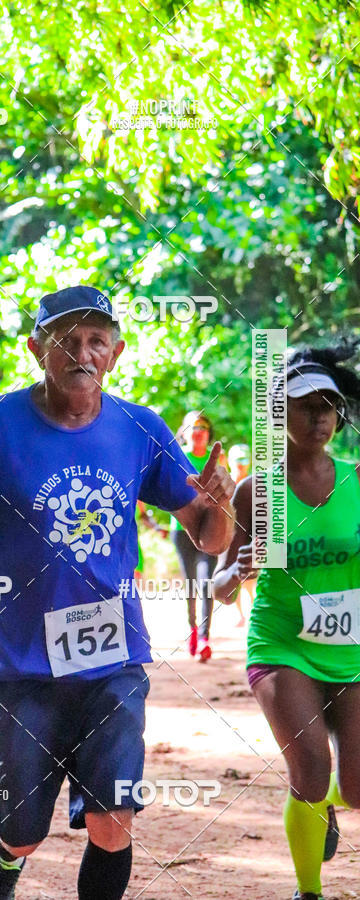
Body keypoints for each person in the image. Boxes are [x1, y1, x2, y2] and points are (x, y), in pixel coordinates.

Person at [0, 285, 236, 900]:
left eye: (96, 340)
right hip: (17, 664)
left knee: (113, 817)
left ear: (116, 353)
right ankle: (3, 865)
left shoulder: (137, 428)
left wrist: (221, 503)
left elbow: (206, 534)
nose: (82, 352)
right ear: (35, 347)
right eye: (66, 339)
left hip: (112, 658)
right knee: (22, 831)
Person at [213, 341, 360, 900]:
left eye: (329, 404)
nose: (320, 415)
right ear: (281, 412)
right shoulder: (262, 491)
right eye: (305, 404)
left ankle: (324, 809)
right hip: (282, 645)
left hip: (352, 647)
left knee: (355, 787)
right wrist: (237, 573)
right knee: (312, 772)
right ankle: (309, 891)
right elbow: (222, 586)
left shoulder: (358, 480)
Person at [170, 410, 219, 661]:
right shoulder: (177, 457)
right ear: (184, 434)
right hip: (182, 531)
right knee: (191, 585)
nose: (199, 433)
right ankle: (192, 628)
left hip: (210, 531)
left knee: (206, 583)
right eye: (193, 428)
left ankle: (204, 638)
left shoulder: (216, 460)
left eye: (203, 428)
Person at [227, 444, 255, 626]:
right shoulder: (226, 482)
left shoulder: (254, 483)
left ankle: (253, 608)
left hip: (251, 534)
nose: (241, 464)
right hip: (230, 536)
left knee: (251, 578)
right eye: (238, 460)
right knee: (234, 574)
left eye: (244, 460)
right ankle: (240, 614)